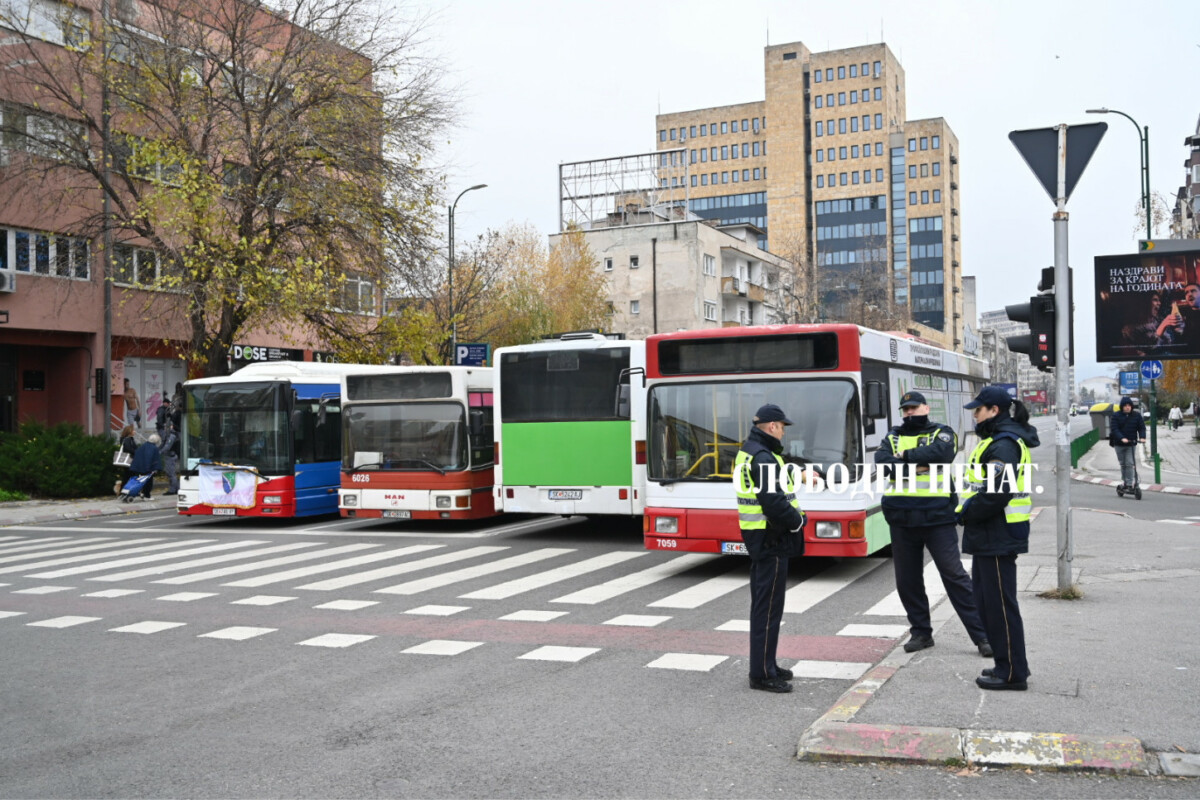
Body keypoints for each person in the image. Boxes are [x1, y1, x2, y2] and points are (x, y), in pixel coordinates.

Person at [874, 391, 991, 657]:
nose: (909, 413)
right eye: (905, 409)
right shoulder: (893, 436)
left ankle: (983, 636)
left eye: (914, 408)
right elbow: (882, 462)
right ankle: (921, 633)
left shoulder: (943, 432)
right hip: (902, 518)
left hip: (937, 517)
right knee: (907, 580)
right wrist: (920, 466)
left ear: (926, 408)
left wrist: (904, 457)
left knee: (955, 576)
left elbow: (942, 453)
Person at [956, 386, 1040, 691]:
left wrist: (963, 514)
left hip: (997, 533)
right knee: (989, 604)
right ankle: (1005, 665)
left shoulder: (1003, 445)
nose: (974, 416)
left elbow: (995, 493)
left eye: (978, 410)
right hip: (991, 534)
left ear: (994, 410)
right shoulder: (995, 441)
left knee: (1000, 607)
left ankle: (1012, 673)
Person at [733, 403, 807, 694]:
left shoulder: (752, 451)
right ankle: (762, 674)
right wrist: (798, 521)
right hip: (771, 537)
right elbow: (773, 501)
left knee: (768, 607)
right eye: (783, 428)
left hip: (763, 537)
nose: (784, 433)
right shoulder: (763, 456)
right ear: (773, 426)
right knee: (767, 609)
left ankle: (768, 664)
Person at [1109, 396, 1146, 491]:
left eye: (1129, 405)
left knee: (1129, 463)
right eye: (1125, 405)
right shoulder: (1116, 416)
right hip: (1119, 444)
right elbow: (1114, 429)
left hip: (1131, 443)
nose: (1127, 407)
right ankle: (1125, 481)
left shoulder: (1136, 415)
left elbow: (1141, 427)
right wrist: (1121, 438)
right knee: (1123, 464)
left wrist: (1142, 437)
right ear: (1122, 406)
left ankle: (1129, 483)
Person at [127, 433, 163, 501]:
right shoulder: (153, 448)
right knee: (148, 483)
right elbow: (150, 458)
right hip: (147, 468)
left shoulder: (143, 446)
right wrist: (152, 468)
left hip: (139, 467)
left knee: (139, 481)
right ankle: (147, 495)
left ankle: (138, 493)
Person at [160, 417, 180, 495]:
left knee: (171, 474)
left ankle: (172, 490)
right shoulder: (169, 434)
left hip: (170, 455)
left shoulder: (171, 435)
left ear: (171, 426)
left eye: (166, 427)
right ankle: (177, 488)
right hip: (170, 455)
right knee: (171, 473)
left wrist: (160, 452)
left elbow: (167, 446)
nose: (165, 428)